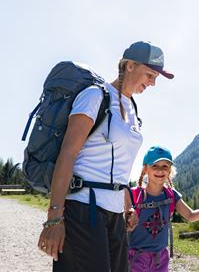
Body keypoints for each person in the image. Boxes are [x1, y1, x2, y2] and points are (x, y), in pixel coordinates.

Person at [37, 41, 174, 272]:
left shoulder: (132, 108)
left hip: (114, 216)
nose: (153, 82)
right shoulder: (94, 96)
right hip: (83, 208)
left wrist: (126, 208)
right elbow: (67, 154)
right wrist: (54, 218)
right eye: (150, 74)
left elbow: (117, 169)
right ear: (130, 65)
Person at [126, 145, 199, 272]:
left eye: (165, 166)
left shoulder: (171, 195)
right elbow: (122, 220)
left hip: (161, 258)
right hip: (136, 258)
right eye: (155, 166)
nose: (160, 170)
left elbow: (190, 215)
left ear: (170, 171)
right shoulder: (133, 195)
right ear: (145, 169)